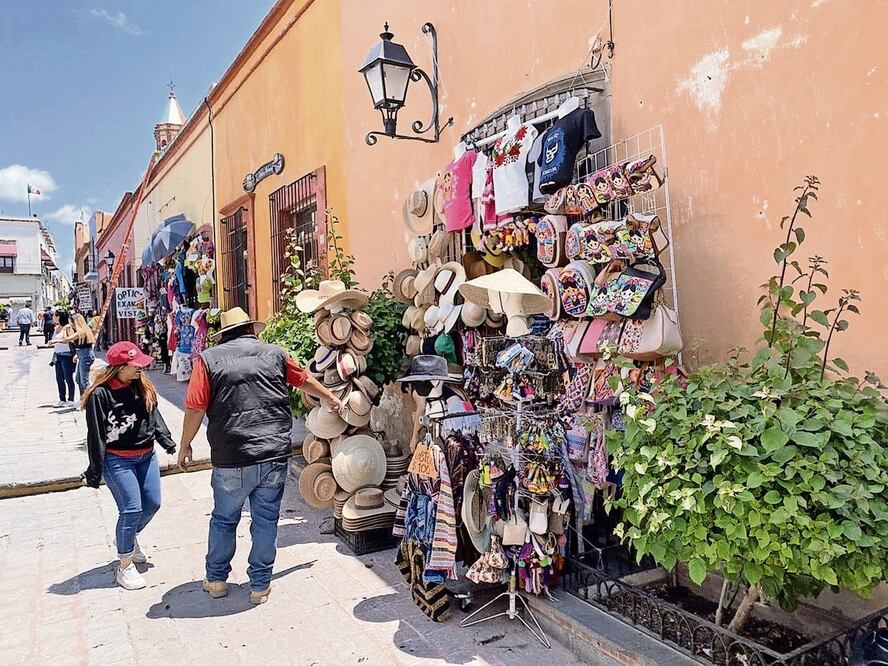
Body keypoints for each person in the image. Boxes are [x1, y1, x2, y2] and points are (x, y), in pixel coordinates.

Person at [178, 307, 346, 605]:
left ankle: (216, 580)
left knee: (224, 519)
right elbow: (303, 380)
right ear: (250, 330)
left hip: (232, 454)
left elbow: (195, 406)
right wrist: (331, 397)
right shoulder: (276, 354)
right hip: (272, 453)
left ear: (224, 334)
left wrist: (185, 444)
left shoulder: (208, 360)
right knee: (266, 520)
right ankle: (259, 586)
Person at [81, 341, 177, 590]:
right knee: (131, 509)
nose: (140, 368)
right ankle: (125, 566)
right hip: (118, 459)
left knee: (152, 503)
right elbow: (96, 435)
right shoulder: (100, 394)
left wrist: (166, 440)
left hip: (147, 456)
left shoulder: (142, 385)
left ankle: (127, 535)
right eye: (135, 365)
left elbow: (154, 416)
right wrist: (94, 471)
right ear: (120, 367)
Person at [50, 313, 96, 394]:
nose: (70, 324)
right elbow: (80, 345)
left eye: (71, 322)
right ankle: (83, 398)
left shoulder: (80, 332)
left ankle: (89, 399)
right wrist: (77, 355)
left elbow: (66, 339)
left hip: (85, 356)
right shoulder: (80, 331)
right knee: (78, 379)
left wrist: (64, 330)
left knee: (84, 381)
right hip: (82, 355)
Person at [48, 310, 76, 407]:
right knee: (59, 378)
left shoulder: (68, 327)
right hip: (57, 355)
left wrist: (55, 341)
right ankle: (62, 399)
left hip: (67, 355)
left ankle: (71, 399)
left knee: (68, 377)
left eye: (54, 316)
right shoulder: (56, 328)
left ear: (59, 317)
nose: (53, 317)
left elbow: (69, 340)